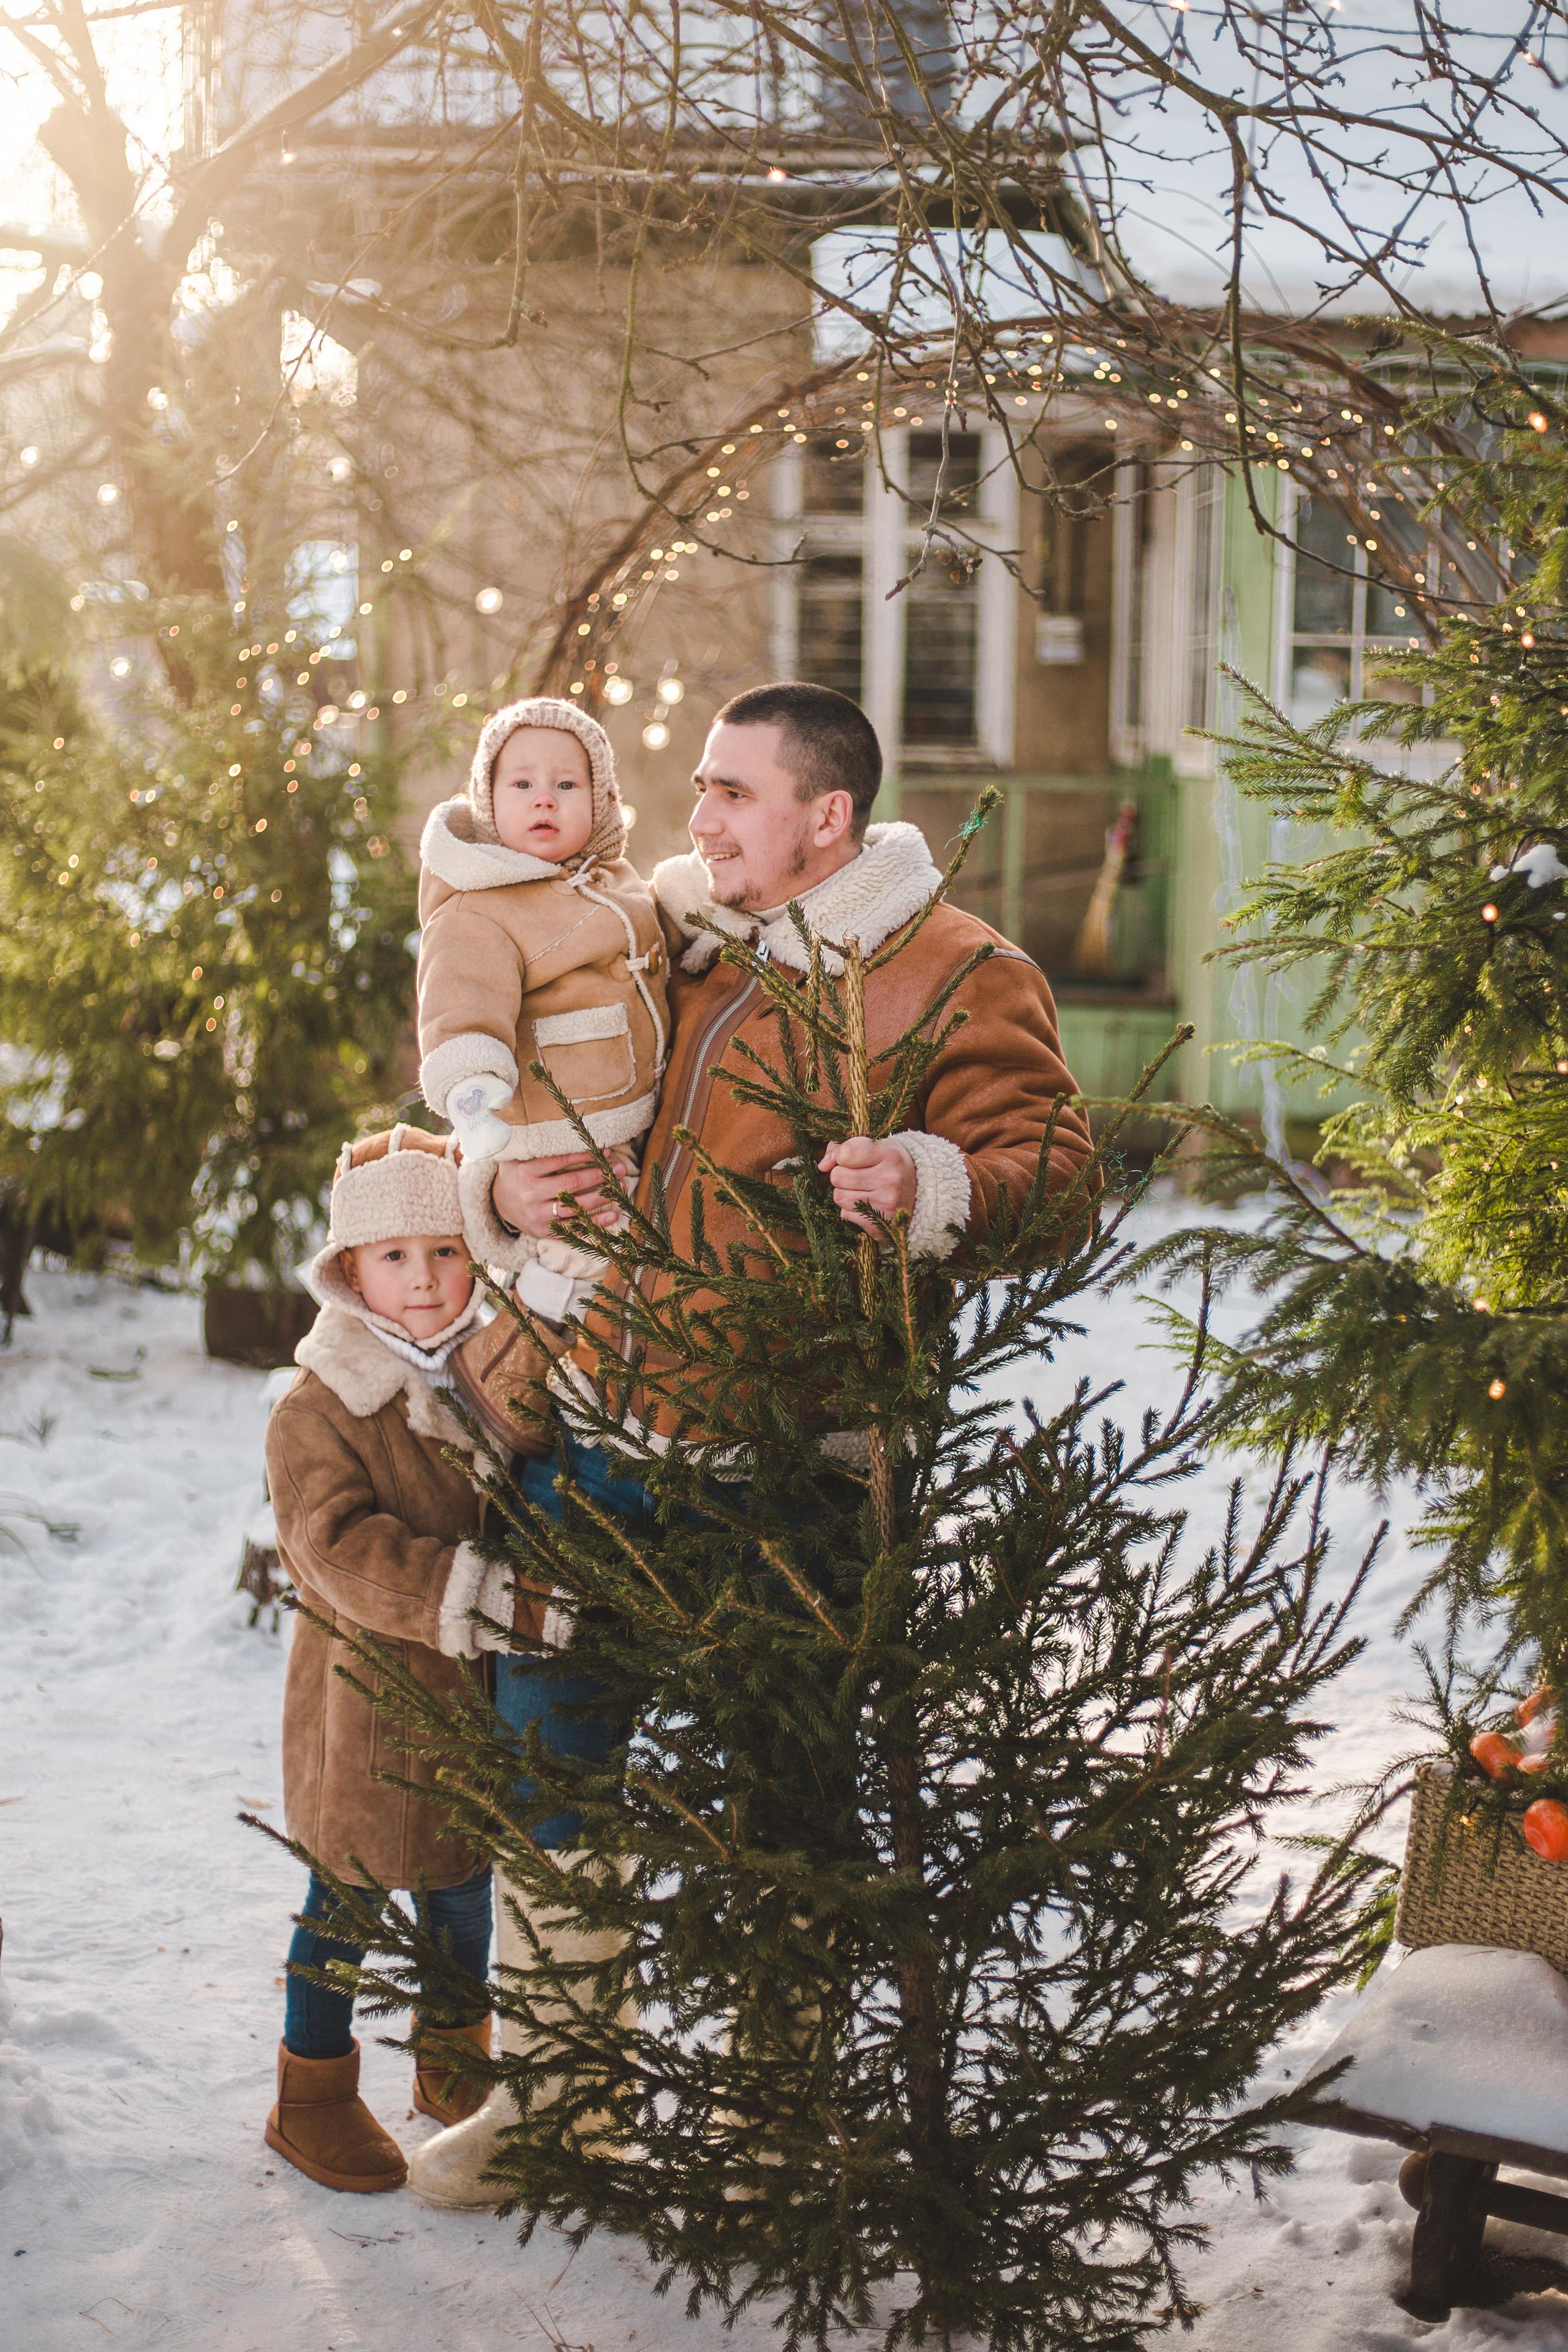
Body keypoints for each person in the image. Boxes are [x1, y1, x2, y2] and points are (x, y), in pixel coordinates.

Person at [407, 680, 1095, 2207]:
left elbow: (1049, 1163)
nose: (695, 816)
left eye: (728, 791)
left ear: (823, 815)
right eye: (700, 788)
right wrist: (495, 1194)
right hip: (594, 1435)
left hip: (790, 1470)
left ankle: (778, 2115)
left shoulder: (948, 971)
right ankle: (562, 2099)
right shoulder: (682, 941)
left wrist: (926, 1180)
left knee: (787, 1802)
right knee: (552, 1760)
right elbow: (536, 1066)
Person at [263, 1126, 551, 2195]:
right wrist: (471, 1592)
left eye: (445, 1252)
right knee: (343, 1905)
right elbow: (335, 1551)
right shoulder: (320, 1406)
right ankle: (314, 2094)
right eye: (394, 1258)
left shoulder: (496, 1377)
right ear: (349, 1273)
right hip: (365, 1715)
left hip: (476, 1705)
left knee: (463, 1897)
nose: (424, 1279)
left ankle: (451, 2069)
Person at [416, 696, 668, 1441]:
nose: (544, 799)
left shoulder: (613, 884)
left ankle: (578, 1373)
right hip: (544, 1120)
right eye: (520, 784)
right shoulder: (483, 906)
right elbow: (459, 998)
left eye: (567, 784)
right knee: (579, 1250)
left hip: (615, 1113)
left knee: (612, 1243)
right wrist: (470, 1078)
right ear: (488, 801)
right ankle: (512, 1385)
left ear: (603, 801)